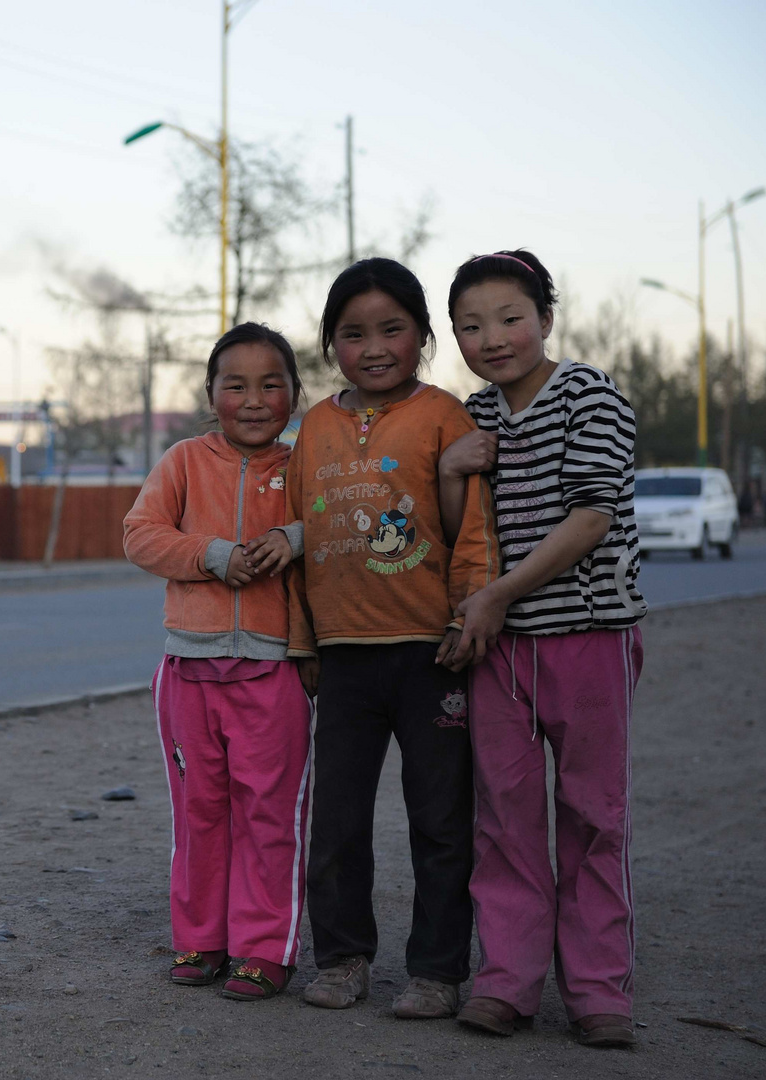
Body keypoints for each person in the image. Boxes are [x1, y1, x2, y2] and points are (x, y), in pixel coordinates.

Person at [439, 249, 647, 1049]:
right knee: (503, 819)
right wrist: (453, 473)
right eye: (469, 325)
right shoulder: (475, 414)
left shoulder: (589, 396)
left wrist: (495, 596)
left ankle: (598, 992)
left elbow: (591, 517)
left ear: (545, 319)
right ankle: (505, 982)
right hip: (501, 653)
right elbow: (456, 520)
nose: (491, 338)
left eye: (508, 317)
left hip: (587, 639)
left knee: (594, 816)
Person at [284, 258, 496, 1019]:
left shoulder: (444, 415)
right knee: (337, 821)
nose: (372, 347)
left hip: (429, 652)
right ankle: (342, 958)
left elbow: (471, 528)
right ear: (330, 343)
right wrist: (303, 642)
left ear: (422, 335)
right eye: (351, 334)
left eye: (391, 330)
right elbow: (303, 542)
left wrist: (469, 611)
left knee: (439, 820)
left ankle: (437, 972)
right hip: (341, 658)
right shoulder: (313, 426)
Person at [123, 322, 315, 1002]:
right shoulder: (181, 461)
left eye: (272, 384)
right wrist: (211, 555)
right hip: (188, 672)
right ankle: (201, 939)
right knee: (198, 812)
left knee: (268, 815)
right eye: (235, 384)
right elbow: (141, 535)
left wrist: (293, 537)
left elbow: (341, 525)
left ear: (295, 393)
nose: (254, 399)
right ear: (211, 393)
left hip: (273, 673)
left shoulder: (306, 466)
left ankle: (263, 949)